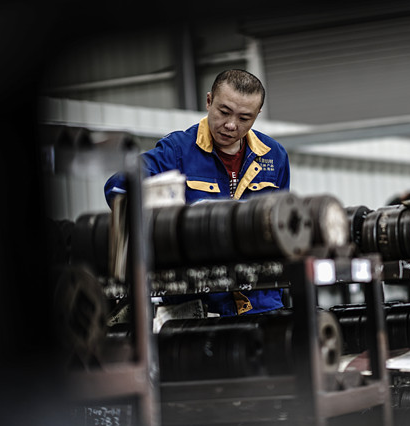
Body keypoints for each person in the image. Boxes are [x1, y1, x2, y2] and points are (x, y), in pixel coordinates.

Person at [104, 69, 290, 316]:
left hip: (261, 301)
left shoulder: (274, 156)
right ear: (209, 101)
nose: (231, 125)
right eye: (224, 112)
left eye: (244, 118)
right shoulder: (177, 151)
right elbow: (118, 187)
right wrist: (169, 222)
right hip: (201, 304)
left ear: (257, 115)